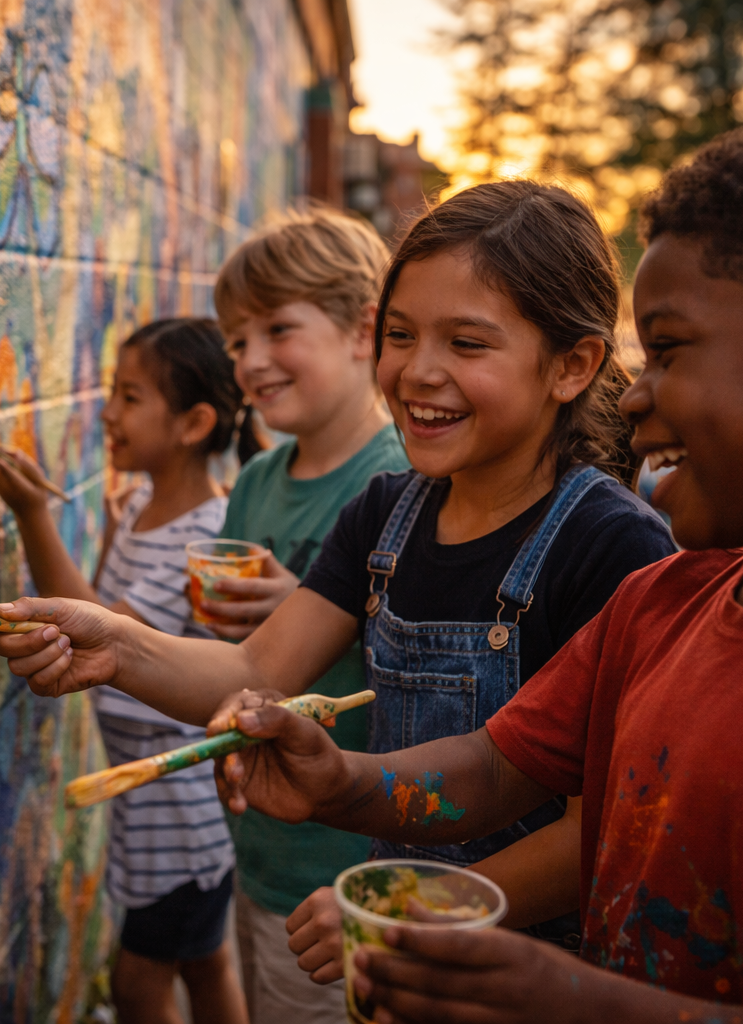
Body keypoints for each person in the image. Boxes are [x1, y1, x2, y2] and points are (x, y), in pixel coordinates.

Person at [201, 104, 743, 1023]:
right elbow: (489, 772)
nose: (636, 399)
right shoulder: (665, 602)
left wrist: (559, 994)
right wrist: (339, 781)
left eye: (666, 350)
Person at [0, 184, 675, 993]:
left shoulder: (613, 545)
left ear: (572, 365)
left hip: (522, 977)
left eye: (467, 343)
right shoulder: (385, 514)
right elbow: (253, 670)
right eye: (400, 335)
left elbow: (606, 828)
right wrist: (116, 644)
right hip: (387, 950)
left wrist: (419, 905)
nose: (418, 372)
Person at [0, 318, 250, 1024]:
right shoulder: (137, 507)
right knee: (205, 962)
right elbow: (96, 602)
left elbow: (92, 624)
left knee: (138, 987)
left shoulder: (200, 537)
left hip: (180, 822)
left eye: (129, 397)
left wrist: (34, 513)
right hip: (155, 813)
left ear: (193, 423)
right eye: (111, 392)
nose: (106, 413)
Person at [201, 208, 411, 1021]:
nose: (250, 361)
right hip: (259, 851)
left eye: (277, 330)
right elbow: (234, 656)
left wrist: (309, 608)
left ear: (364, 330)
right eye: (235, 342)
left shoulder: (399, 481)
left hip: (348, 868)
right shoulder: (256, 480)